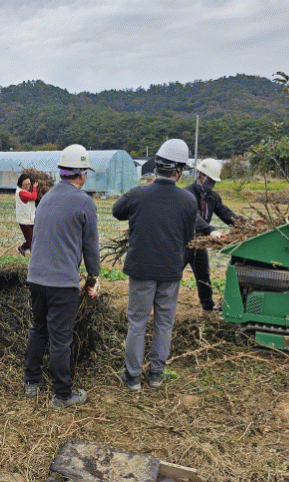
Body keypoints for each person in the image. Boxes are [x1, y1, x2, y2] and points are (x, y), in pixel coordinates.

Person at [112, 139, 197, 391]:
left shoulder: (138, 194)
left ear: (156, 167)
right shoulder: (188, 200)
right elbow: (189, 238)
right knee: (164, 322)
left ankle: (133, 377)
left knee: (137, 322)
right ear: (179, 171)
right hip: (170, 270)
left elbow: (117, 211)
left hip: (141, 269)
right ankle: (157, 374)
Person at [23, 144, 100, 410]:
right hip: (61, 283)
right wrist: (93, 278)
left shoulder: (46, 198)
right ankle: (62, 395)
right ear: (82, 174)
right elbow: (90, 246)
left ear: (61, 172)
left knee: (38, 328)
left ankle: (31, 382)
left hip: (36, 278)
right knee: (60, 339)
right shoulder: (85, 202)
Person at [184, 158, 241, 312]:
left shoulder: (212, 197)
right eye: (210, 180)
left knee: (203, 275)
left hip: (200, 242)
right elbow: (192, 217)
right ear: (200, 175)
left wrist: (244, 224)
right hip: (183, 242)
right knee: (173, 274)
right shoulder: (186, 194)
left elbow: (225, 213)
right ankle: (161, 302)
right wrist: (210, 230)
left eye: (213, 181)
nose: (212, 184)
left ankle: (208, 308)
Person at [15, 173, 38, 256]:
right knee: (32, 241)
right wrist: (35, 187)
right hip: (24, 221)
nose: (27, 186)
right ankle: (35, 257)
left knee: (33, 237)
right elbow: (33, 197)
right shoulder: (21, 193)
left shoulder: (25, 191)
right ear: (21, 184)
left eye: (29, 184)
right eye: (25, 185)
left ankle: (21, 249)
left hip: (30, 219)